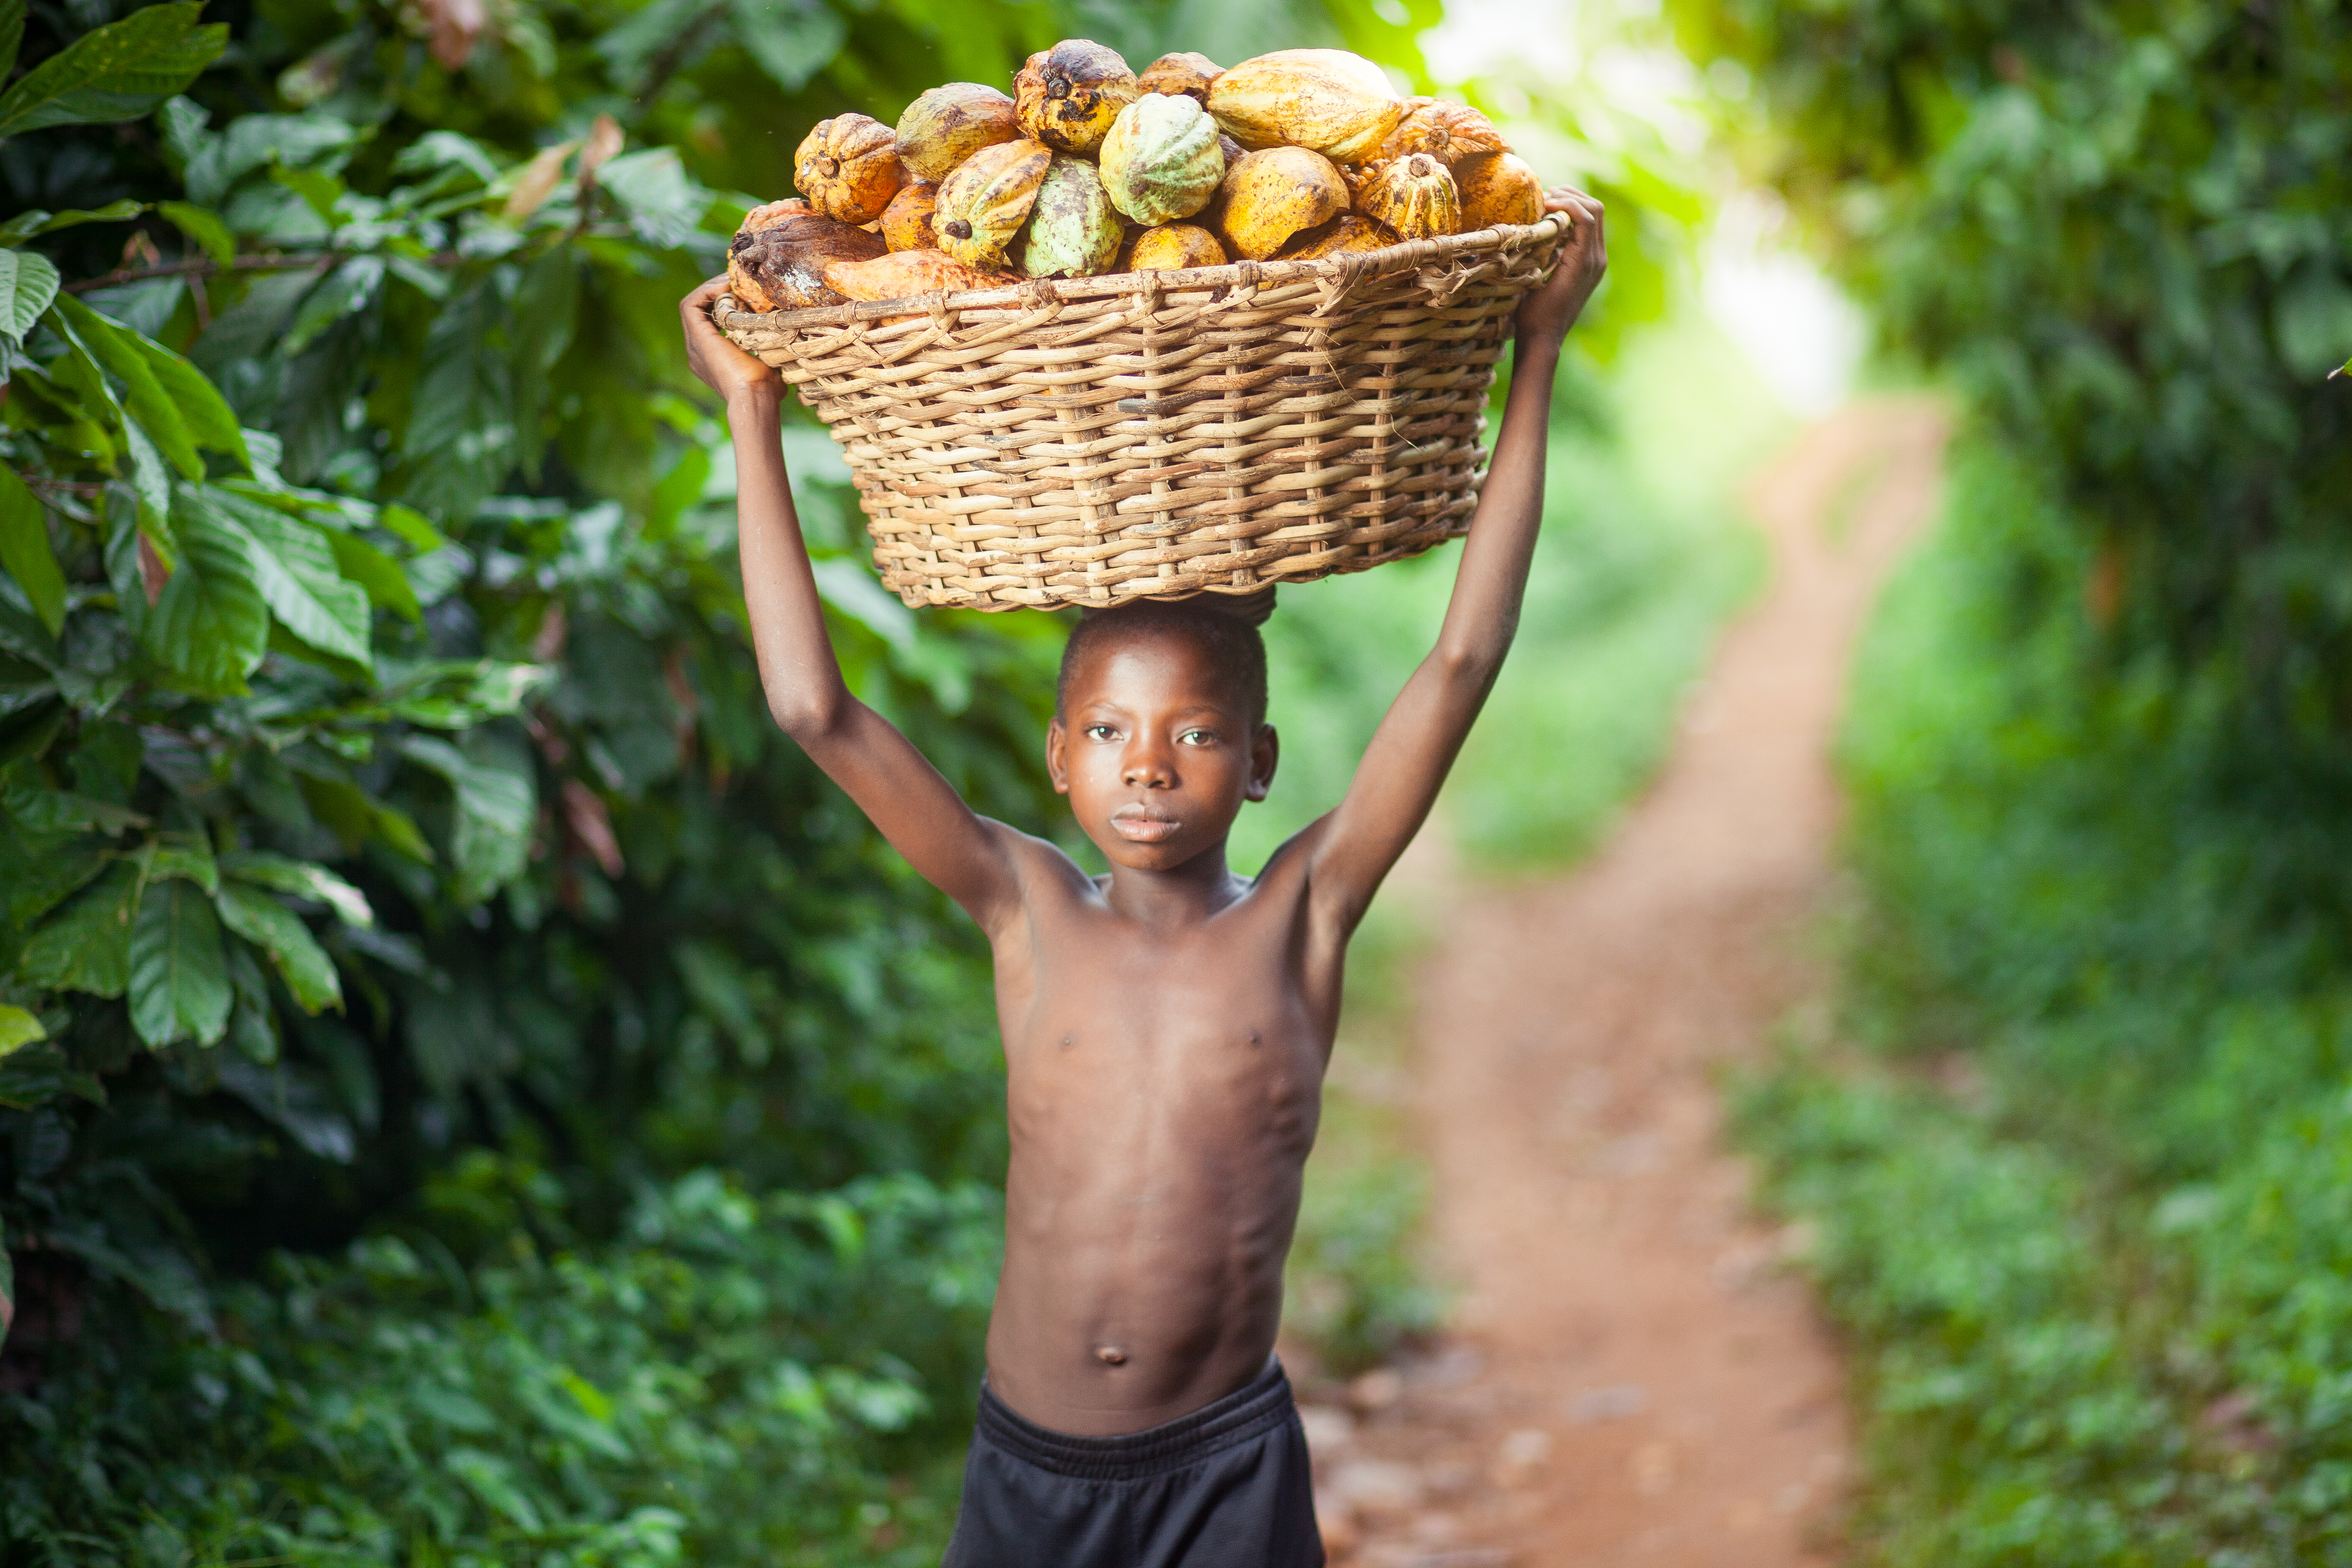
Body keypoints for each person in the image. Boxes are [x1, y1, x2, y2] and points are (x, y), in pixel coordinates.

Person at [678, 186, 1607, 1568]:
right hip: (1026, 1474)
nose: (1150, 766)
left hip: (1223, 1473)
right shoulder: (1023, 906)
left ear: (1261, 759)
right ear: (1059, 756)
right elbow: (816, 711)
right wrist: (753, 415)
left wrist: (1537, 353)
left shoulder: (1308, 911)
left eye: (1196, 733)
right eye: (1109, 732)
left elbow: (1462, 661)